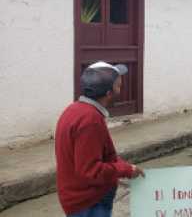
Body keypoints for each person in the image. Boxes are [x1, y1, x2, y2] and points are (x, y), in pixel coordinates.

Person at [55, 62, 145, 217]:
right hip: (88, 202)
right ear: (109, 93)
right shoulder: (90, 120)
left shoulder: (74, 109)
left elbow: (100, 154)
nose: (121, 87)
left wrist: (124, 166)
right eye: (118, 85)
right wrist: (126, 170)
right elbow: (91, 170)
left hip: (79, 197)